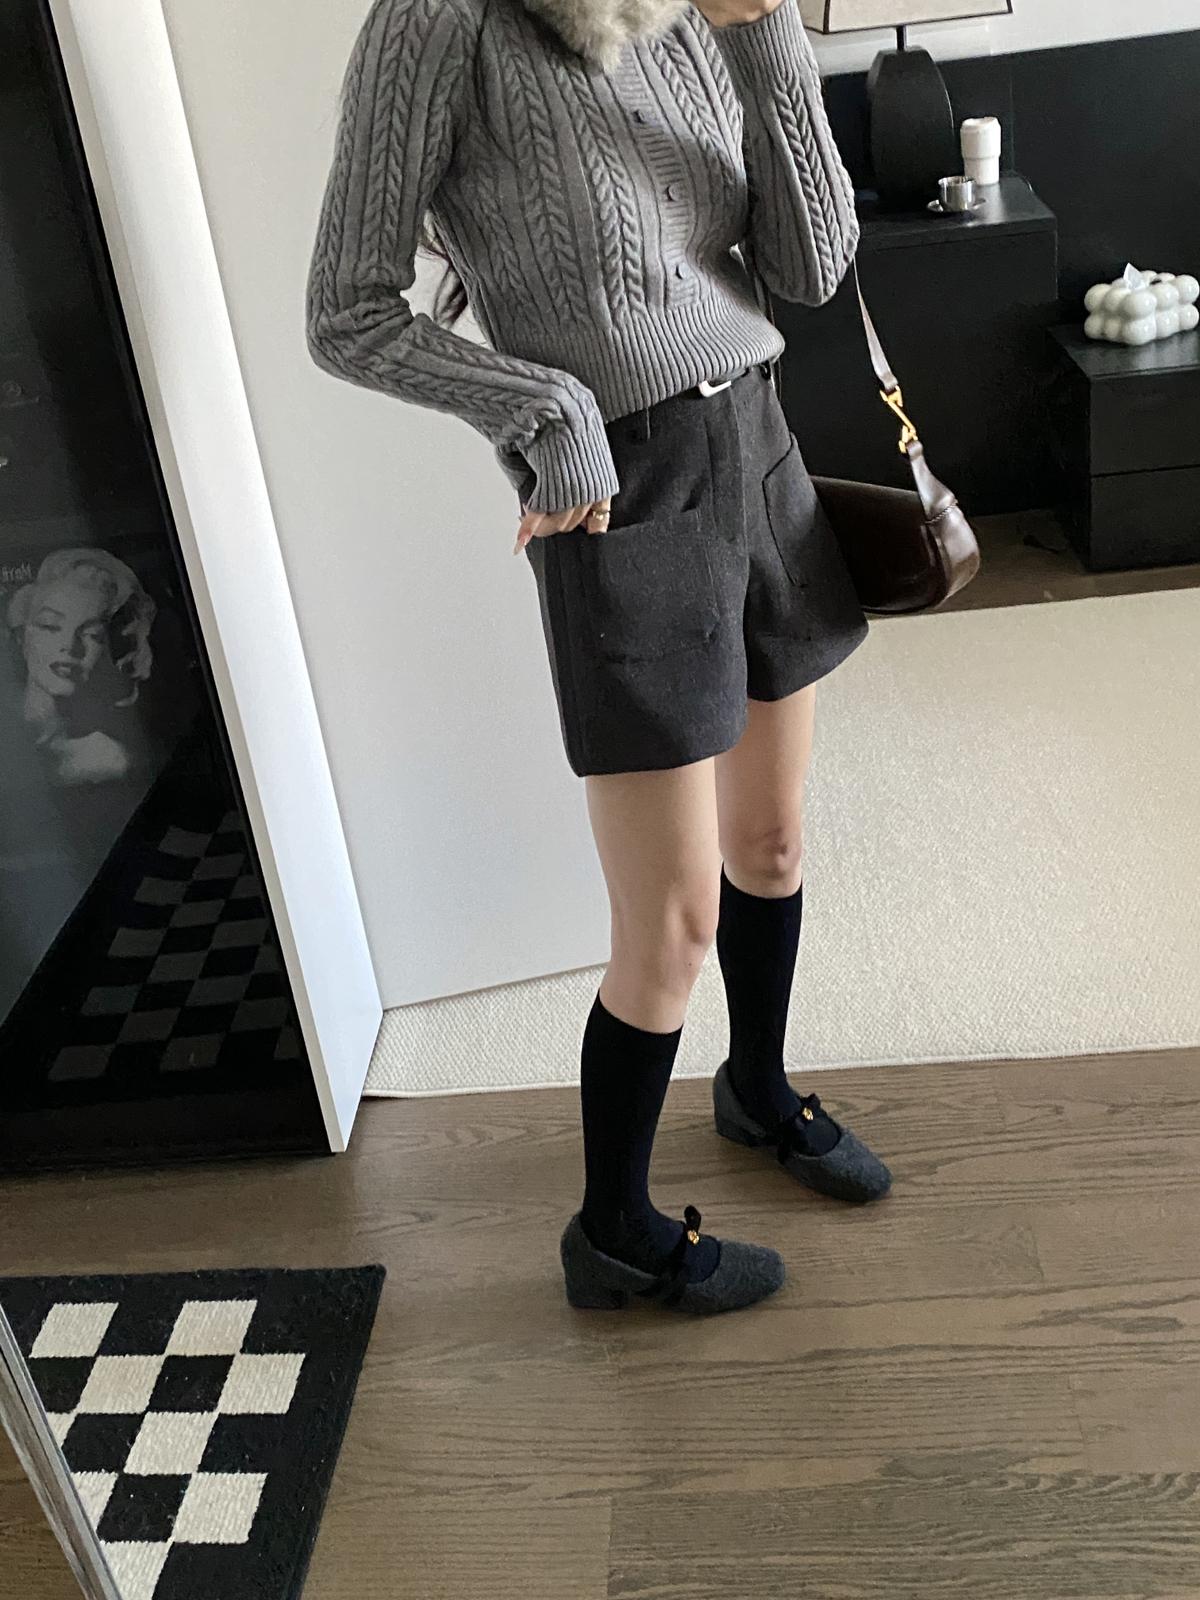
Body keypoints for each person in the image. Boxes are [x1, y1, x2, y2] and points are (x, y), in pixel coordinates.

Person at [307, 0, 891, 1316]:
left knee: (772, 844)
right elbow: (345, 312)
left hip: (761, 449)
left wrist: (764, 34)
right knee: (670, 924)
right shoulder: (440, 23)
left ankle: (755, 1089)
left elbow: (812, 264)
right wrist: (548, 410)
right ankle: (613, 1232)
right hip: (623, 489)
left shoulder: (696, 17)